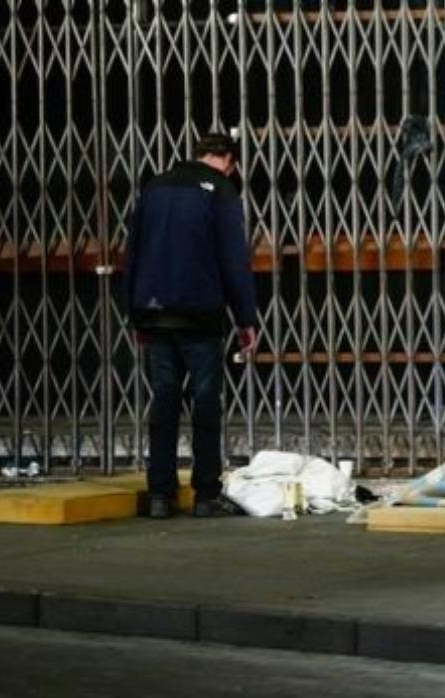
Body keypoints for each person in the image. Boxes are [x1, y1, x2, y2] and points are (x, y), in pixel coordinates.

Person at [122, 133, 257, 519]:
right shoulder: (221, 190)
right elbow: (233, 259)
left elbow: (133, 251)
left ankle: (161, 495)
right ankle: (205, 494)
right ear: (228, 161)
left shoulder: (155, 186)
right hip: (200, 314)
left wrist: (133, 311)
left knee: (163, 401)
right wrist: (245, 317)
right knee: (205, 403)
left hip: (154, 312)